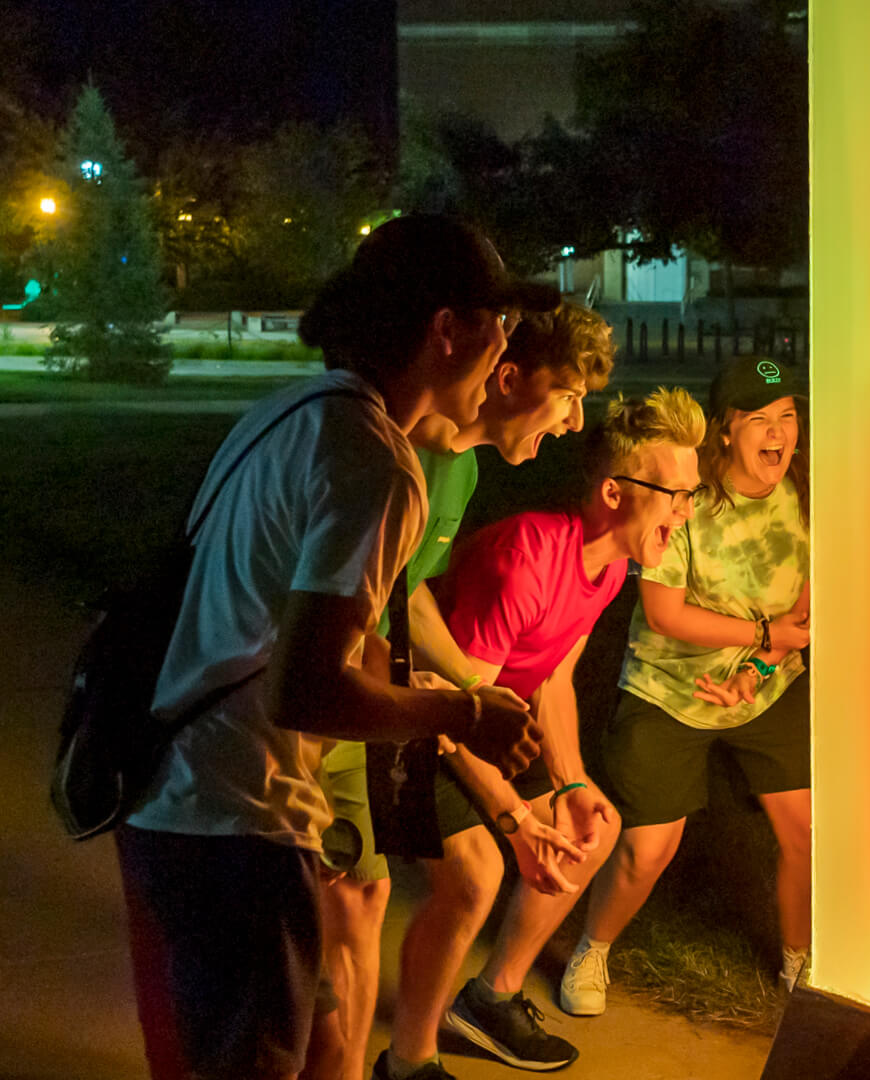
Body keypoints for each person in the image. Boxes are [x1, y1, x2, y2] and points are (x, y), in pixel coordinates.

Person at [116, 213, 548, 1080]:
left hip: (176, 791)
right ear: (446, 330)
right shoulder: (377, 463)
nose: (508, 345)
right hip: (237, 818)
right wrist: (466, 712)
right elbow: (307, 692)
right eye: (497, 321)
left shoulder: (291, 412)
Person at [315, 300, 613, 1080]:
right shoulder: (398, 453)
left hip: (374, 695)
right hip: (325, 699)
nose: (576, 424)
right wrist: (469, 714)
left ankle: (403, 1063)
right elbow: (363, 624)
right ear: (506, 375)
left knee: (364, 906)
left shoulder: (465, 467)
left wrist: (471, 683)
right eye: (569, 396)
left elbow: (407, 596)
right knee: (347, 911)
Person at [371, 388, 708, 1079]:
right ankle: (408, 1060)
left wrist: (574, 781)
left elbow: (552, 680)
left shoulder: (610, 568)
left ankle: (490, 998)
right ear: (615, 492)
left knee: (595, 826)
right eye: (675, 494)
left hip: (489, 722)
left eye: (691, 495)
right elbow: (456, 708)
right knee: (476, 875)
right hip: (421, 718)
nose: (686, 511)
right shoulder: (527, 558)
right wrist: (517, 818)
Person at [569, 355, 813, 1009]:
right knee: (649, 847)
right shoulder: (685, 503)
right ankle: (591, 951)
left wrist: (760, 668)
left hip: (766, 686)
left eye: (787, 415)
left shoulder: (809, 496)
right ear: (725, 431)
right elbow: (663, 613)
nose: (777, 432)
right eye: (759, 417)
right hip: (667, 692)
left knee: (808, 830)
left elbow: (805, 616)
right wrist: (765, 639)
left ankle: (799, 963)